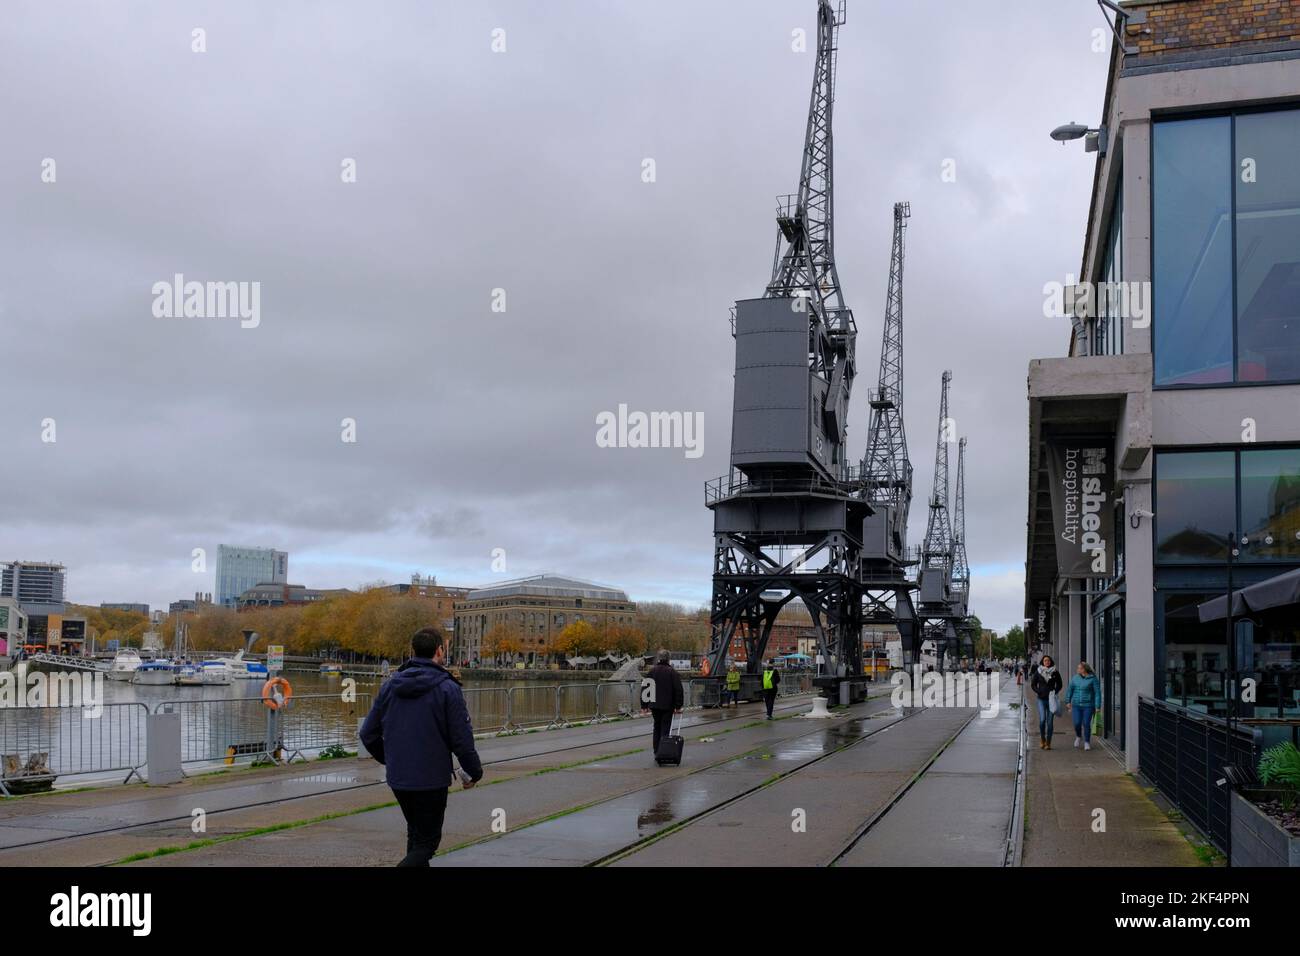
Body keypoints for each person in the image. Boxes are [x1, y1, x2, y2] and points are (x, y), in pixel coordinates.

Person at [360, 626, 483, 866]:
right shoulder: (448, 688)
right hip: (431, 778)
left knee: (416, 836)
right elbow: (461, 738)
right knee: (427, 843)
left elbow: (368, 733)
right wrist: (474, 771)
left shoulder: (390, 686)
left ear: (412, 650)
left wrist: (389, 758)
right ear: (439, 651)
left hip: (399, 777)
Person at [641, 648, 683, 756]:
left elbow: (645, 689)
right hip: (668, 705)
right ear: (669, 659)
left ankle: (656, 751)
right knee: (665, 728)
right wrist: (678, 706)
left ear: (658, 659)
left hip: (654, 705)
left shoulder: (651, 672)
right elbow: (678, 690)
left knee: (657, 727)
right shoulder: (672, 673)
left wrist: (644, 705)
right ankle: (663, 751)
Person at [1066, 661, 1103, 751]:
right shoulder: (1075, 678)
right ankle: (1078, 736)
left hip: (1088, 705)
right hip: (1076, 705)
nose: (1077, 669)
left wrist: (1097, 706)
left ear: (1084, 669)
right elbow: (1070, 690)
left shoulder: (1093, 679)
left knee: (1086, 723)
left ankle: (1087, 742)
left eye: (1079, 668)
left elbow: (1097, 693)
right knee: (1077, 723)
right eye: (1078, 668)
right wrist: (1068, 701)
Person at [1030, 655, 1063, 750]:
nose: (1047, 662)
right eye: (1045, 660)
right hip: (1041, 699)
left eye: (1048, 660)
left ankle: (1048, 742)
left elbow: (1060, 684)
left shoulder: (1055, 672)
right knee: (1042, 720)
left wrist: (1055, 691)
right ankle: (1042, 739)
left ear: (1050, 662)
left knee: (1050, 722)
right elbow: (1033, 684)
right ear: (1042, 662)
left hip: (1051, 700)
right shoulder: (1038, 671)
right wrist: (1038, 691)